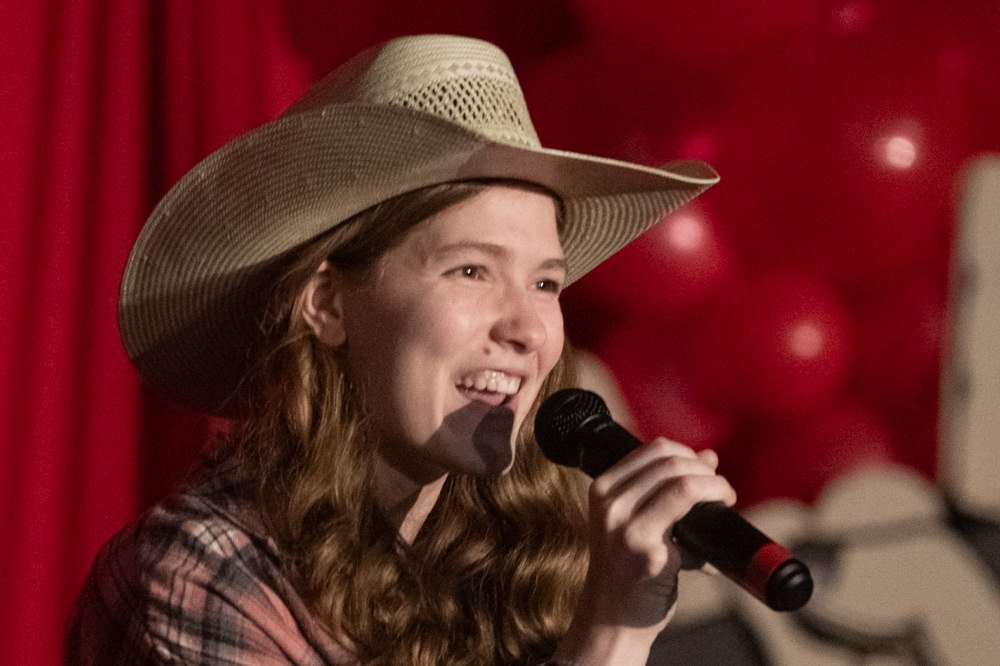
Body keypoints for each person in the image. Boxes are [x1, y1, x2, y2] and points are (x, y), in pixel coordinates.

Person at [66, 34, 735, 665]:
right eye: (471, 270)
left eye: (545, 282)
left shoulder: (526, 559)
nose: (529, 330)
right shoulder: (202, 575)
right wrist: (610, 637)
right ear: (328, 304)